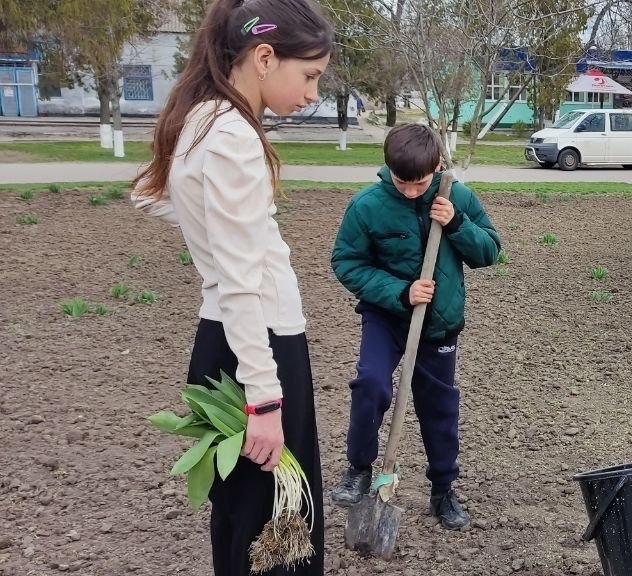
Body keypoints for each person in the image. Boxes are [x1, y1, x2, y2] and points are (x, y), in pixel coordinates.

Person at [130, 0, 334, 573]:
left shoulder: (201, 119)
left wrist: (213, 226)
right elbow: (243, 287)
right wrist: (265, 400)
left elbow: (149, 195)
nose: (313, 92)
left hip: (226, 342)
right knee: (278, 525)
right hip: (258, 349)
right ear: (265, 57)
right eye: (310, 75)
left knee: (243, 517)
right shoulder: (234, 138)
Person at [328, 123, 501, 531]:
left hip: (438, 323)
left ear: (438, 165)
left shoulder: (456, 196)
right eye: (400, 182)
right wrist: (400, 292)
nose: (409, 190)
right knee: (371, 384)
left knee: (438, 406)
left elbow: (490, 251)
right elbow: (346, 263)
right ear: (388, 169)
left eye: (418, 183)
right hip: (387, 316)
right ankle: (359, 468)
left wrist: (457, 223)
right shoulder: (367, 205)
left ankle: (443, 490)